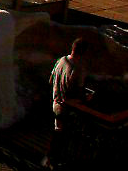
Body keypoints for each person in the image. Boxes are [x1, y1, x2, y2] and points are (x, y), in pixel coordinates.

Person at [45, 38, 90, 168]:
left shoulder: (61, 60)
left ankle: (50, 159)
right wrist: (86, 98)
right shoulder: (79, 68)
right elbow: (80, 90)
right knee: (63, 135)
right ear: (84, 52)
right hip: (67, 106)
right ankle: (56, 161)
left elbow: (50, 80)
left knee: (57, 132)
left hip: (55, 102)